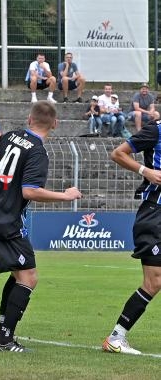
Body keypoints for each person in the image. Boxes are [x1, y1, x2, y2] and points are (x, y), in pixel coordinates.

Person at [0, 100, 82, 352]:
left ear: (29, 119)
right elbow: (29, 191)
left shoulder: (9, 136)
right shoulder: (38, 152)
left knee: (19, 274)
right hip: (6, 220)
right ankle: (5, 340)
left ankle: (2, 332)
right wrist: (65, 195)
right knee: (29, 278)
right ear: (55, 124)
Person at [104, 118, 161, 355]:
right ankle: (116, 337)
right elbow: (118, 153)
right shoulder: (156, 129)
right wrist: (145, 170)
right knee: (154, 281)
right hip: (155, 214)